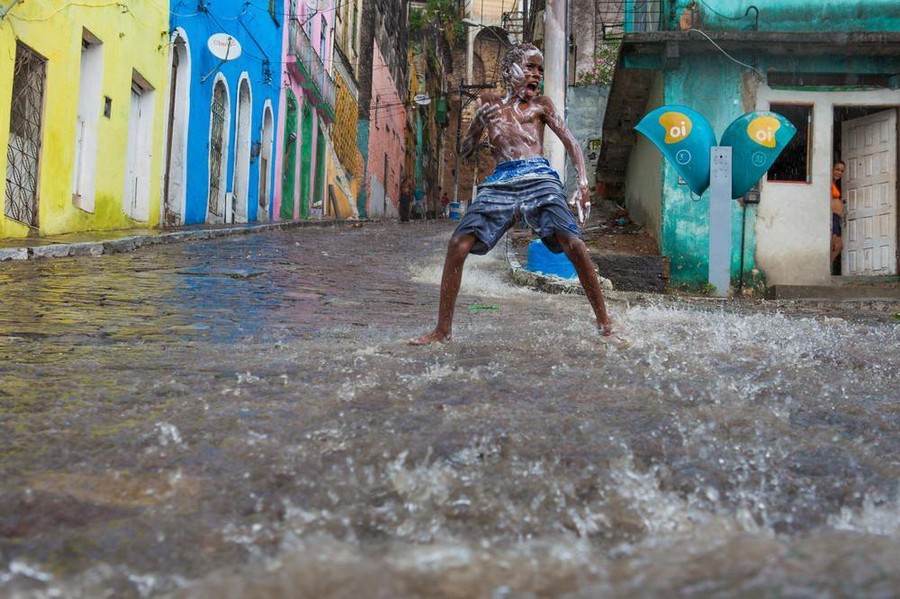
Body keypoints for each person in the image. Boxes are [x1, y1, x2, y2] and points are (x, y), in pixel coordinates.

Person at [410, 43, 613, 345]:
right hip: (501, 181)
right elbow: (464, 152)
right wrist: (477, 125)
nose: (536, 75)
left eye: (540, 70)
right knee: (457, 244)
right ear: (509, 71)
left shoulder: (541, 105)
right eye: (530, 67)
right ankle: (442, 331)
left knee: (574, 243)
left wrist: (583, 184)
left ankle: (605, 324)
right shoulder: (489, 106)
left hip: (538, 177)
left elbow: (571, 142)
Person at [831, 160, 845, 268]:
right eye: (837, 169)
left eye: (841, 171)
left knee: (839, 246)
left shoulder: (834, 184)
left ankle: (827, 265)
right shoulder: (828, 182)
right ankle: (825, 267)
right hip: (832, 217)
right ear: (832, 169)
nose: (839, 172)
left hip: (837, 218)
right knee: (834, 245)